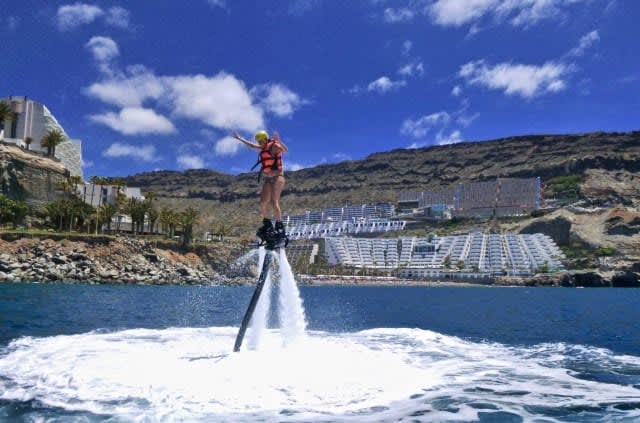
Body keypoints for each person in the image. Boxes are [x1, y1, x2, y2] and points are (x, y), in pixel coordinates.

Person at [232, 130, 289, 242]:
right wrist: (240, 139)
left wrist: (279, 141)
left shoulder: (274, 146)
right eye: (258, 141)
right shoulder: (261, 148)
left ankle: (279, 226)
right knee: (263, 202)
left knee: (274, 201)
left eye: (261, 141)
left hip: (278, 177)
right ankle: (268, 224)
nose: (259, 143)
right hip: (268, 178)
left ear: (265, 139)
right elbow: (251, 145)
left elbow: (285, 150)